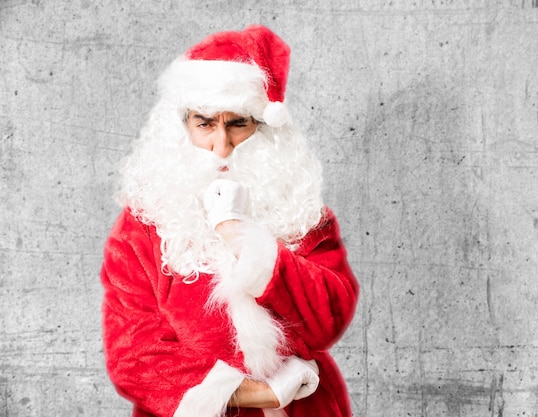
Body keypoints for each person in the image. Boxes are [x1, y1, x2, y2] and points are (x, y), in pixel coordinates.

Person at [100, 24, 359, 417]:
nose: (221, 146)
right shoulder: (141, 226)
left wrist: (240, 236)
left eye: (238, 123)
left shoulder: (302, 212)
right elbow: (134, 357)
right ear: (182, 125)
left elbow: (329, 320)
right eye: (204, 123)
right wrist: (262, 393)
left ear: (265, 127)